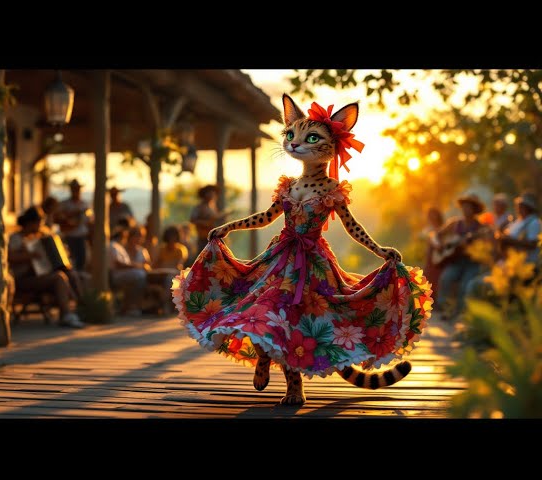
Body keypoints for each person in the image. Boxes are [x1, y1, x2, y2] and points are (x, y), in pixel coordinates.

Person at [172, 95, 433, 405]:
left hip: (311, 264)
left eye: (311, 138)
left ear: (333, 145)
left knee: (296, 323)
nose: (296, 144)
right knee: (260, 312)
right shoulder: (289, 185)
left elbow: (352, 227)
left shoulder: (331, 190)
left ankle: (295, 386)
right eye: (291, 135)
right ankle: (264, 357)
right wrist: (229, 227)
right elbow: (266, 218)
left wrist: (379, 250)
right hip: (279, 257)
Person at [8, 206, 85, 328]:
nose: (40, 225)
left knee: (72, 274)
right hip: (23, 278)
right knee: (59, 278)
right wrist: (29, 256)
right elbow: (9, 257)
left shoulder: (40, 235)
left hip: (40, 275)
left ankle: (81, 309)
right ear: (30, 223)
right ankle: (66, 314)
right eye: (39, 222)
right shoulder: (16, 238)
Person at [434, 193, 489, 320]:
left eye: (468, 207)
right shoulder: (454, 223)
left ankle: (459, 314)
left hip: (472, 263)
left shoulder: (481, 228)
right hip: (455, 261)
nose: (465, 209)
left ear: (475, 209)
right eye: (464, 206)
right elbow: (437, 235)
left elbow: (485, 247)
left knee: (466, 285)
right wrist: (438, 245)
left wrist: (471, 245)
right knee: (445, 278)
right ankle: (445, 309)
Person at [108, 226, 147, 316]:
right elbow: (119, 264)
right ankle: (132, 307)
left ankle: (133, 307)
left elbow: (146, 264)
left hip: (125, 274)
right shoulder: (114, 246)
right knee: (139, 275)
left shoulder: (118, 247)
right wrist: (137, 266)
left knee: (140, 276)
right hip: (118, 276)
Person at [496, 191, 541, 265]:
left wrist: (510, 240)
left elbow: (533, 244)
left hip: (527, 265)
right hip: (513, 263)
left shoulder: (534, 222)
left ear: (528, 207)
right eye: (517, 205)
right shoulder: (517, 221)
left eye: (520, 206)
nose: (517, 208)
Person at [55, 179, 90, 271]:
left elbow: (88, 221)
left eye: (77, 189)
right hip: (69, 236)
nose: (76, 191)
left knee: (82, 260)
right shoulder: (64, 204)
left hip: (81, 236)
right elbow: (59, 218)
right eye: (74, 189)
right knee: (71, 259)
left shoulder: (84, 204)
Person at [190, 185, 230, 253]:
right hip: (204, 238)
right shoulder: (199, 207)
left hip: (214, 237)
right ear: (204, 194)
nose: (212, 194)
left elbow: (215, 218)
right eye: (209, 192)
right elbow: (192, 220)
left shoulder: (212, 207)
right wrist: (205, 223)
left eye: (213, 192)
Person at [419, 207, 445, 299]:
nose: (433, 218)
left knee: (437, 278)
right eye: (431, 216)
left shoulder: (444, 227)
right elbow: (430, 237)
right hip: (431, 258)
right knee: (427, 277)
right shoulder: (428, 230)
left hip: (441, 258)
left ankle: (437, 300)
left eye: (435, 215)